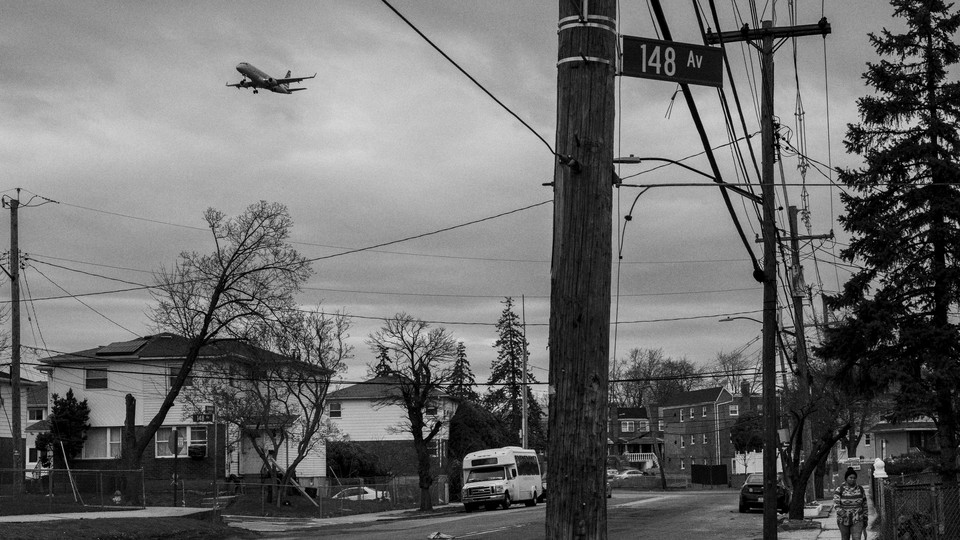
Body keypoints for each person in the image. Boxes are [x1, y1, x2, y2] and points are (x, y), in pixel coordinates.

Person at [833, 467, 868, 540]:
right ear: (846, 478)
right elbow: (836, 505)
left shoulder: (860, 489)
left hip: (858, 518)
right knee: (845, 538)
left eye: (854, 478)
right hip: (843, 519)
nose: (852, 479)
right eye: (850, 477)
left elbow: (864, 505)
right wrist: (842, 513)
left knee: (857, 538)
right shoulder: (840, 490)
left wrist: (865, 517)